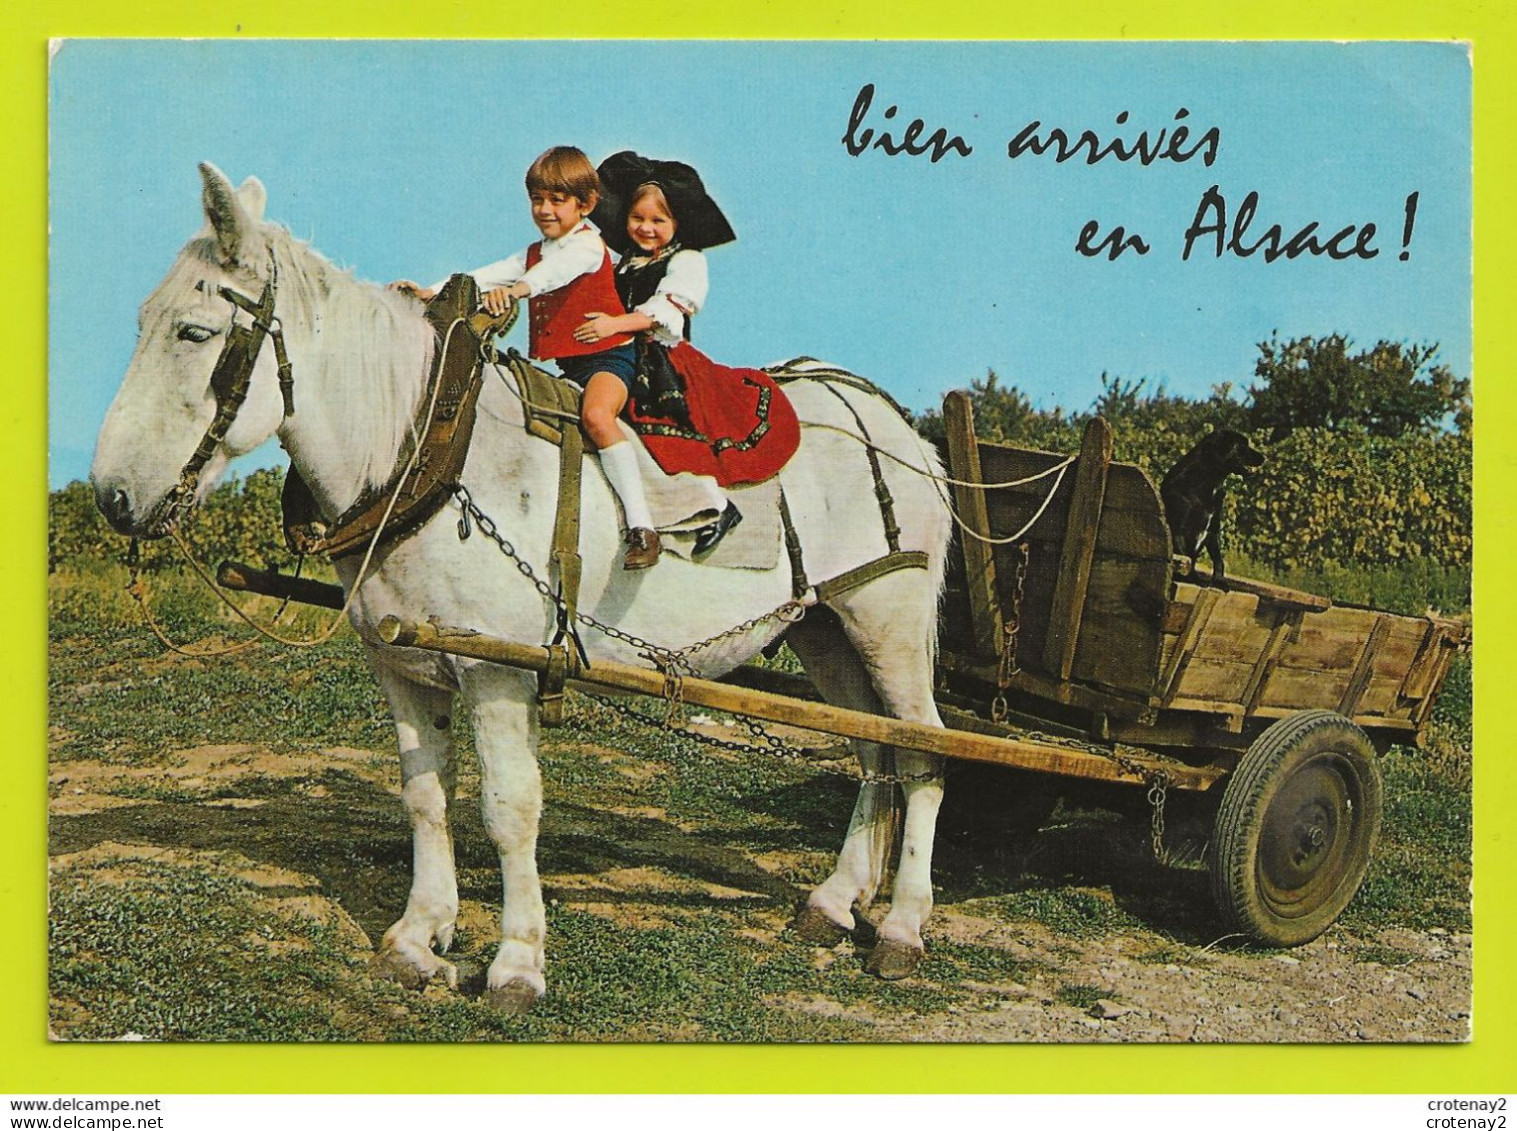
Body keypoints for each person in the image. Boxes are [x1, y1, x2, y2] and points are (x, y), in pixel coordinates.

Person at [392, 146, 662, 570]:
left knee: (596, 417)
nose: (545, 210)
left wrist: (517, 291)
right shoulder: (533, 252)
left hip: (610, 357)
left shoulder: (589, 247)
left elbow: (553, 275)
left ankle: (642, 526)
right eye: (538, 199)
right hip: (570, 365)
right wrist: (433, 291)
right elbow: (487, 273)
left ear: (585, 204)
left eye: (557, 200)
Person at [575, 151, 746, 556]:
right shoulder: (624, 264)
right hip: (621, 356)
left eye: (658, 221)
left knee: (660, 441)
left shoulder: (687, 261)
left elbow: (667, 310)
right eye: (638, 219)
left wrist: (615, 324)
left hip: (663, 362)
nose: (646, 228)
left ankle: (714, 505)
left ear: (676, 224)